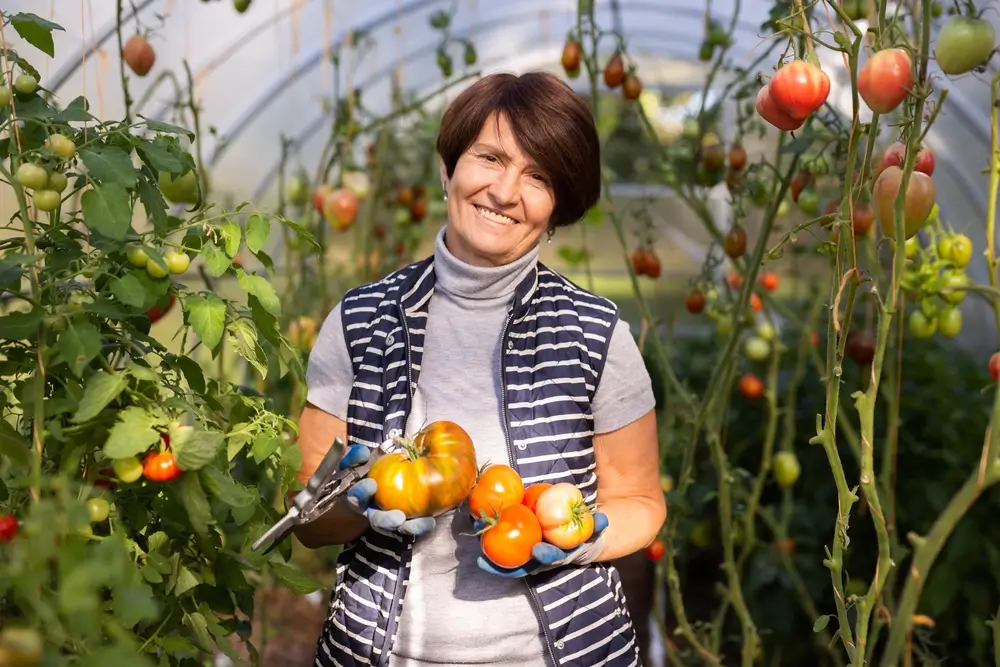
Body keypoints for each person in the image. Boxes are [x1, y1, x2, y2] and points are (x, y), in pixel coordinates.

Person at [293, 70, 666, 667]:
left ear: (558, 206)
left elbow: (642, 502)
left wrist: (567, 536)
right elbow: (309, 520)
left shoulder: (596, 335)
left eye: (538, 176)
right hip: (378, 652)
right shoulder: (361, 322)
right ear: (448, 168)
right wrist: (357, 506)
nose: (505, 190)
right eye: (489, 157)